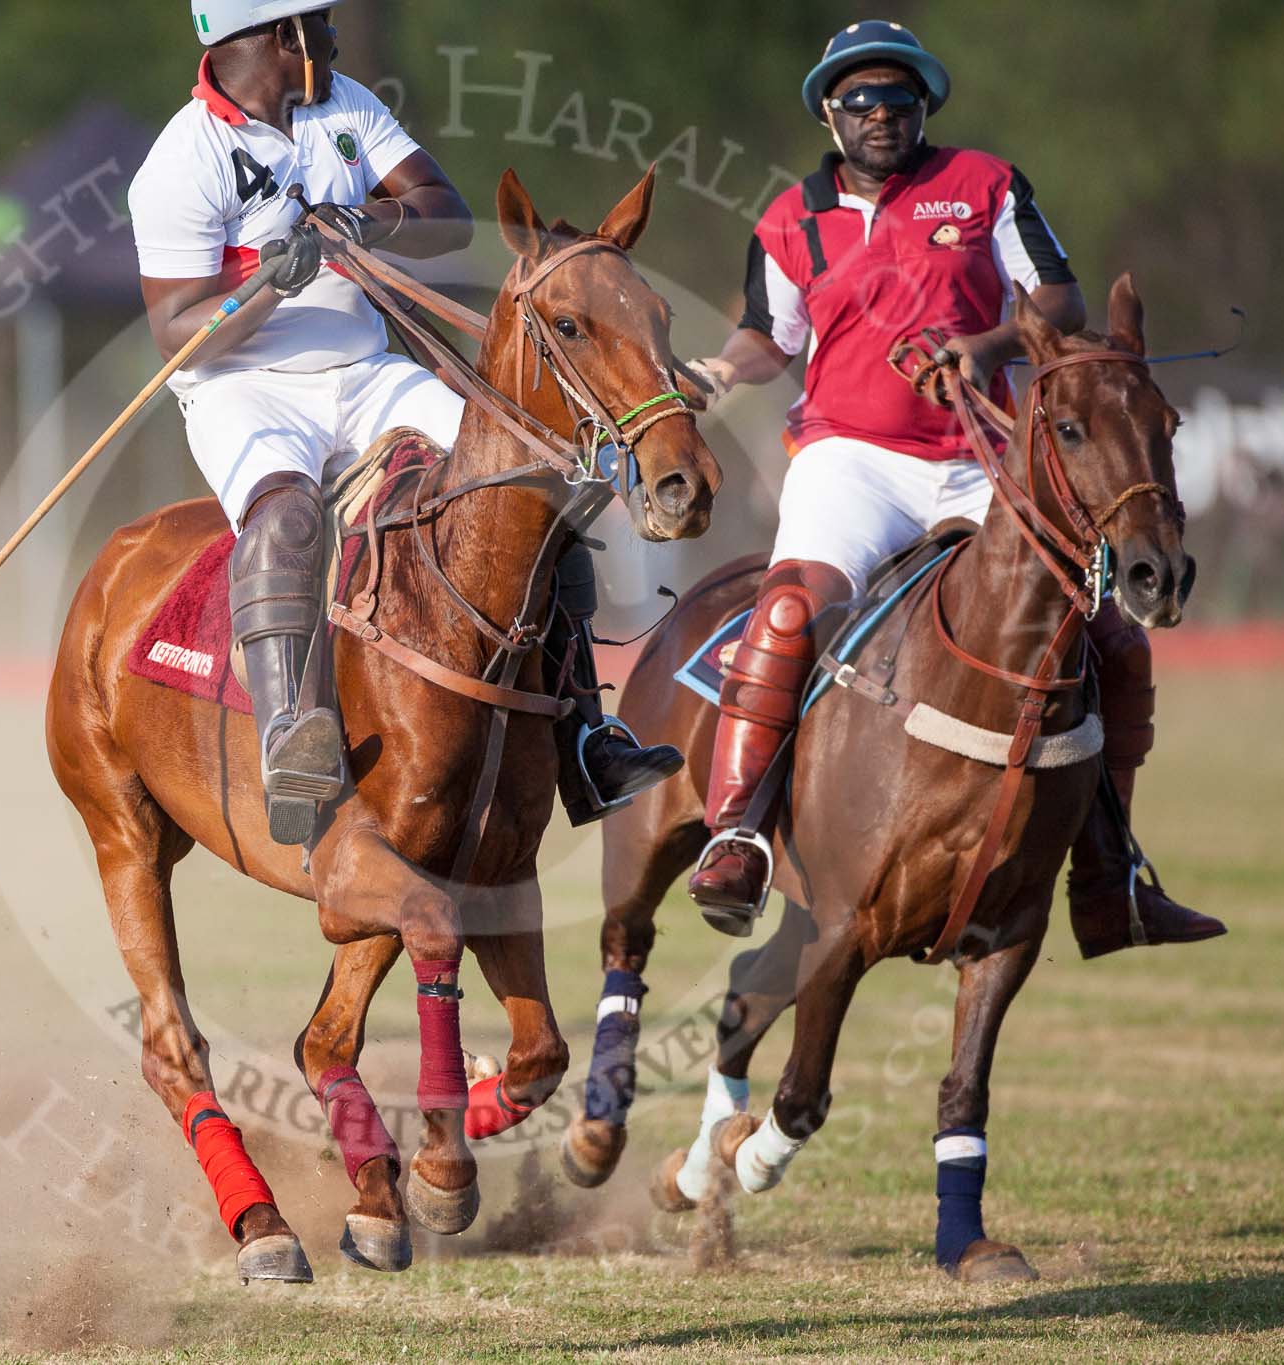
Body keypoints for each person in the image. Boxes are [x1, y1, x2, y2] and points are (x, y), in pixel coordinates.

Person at [677, 21, 1224, 958]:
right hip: (851, 456)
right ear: (828, 112)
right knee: (787, 613)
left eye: (900, 99)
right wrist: (725, 369)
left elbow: (1059, 300)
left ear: (923, 107)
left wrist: (987, 346)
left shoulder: (984, 185)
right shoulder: (786, 219)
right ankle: (735, 834)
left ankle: (1112, 871)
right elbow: (773, 333)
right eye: (861, 101)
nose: (882, 115)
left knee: (1107, 632)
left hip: (981, 458)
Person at [131, 0, 681, 845]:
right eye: (318, 22)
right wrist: (273, 280)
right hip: (245, 386)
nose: (334, 36)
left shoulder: (343, 103)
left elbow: (441, 207)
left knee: (538, 479)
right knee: (286, 516)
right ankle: (291, 737)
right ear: (281, 36)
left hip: (364, 368)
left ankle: (581, 731)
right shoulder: (182, 159)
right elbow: (177, 337)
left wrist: (367, 222)